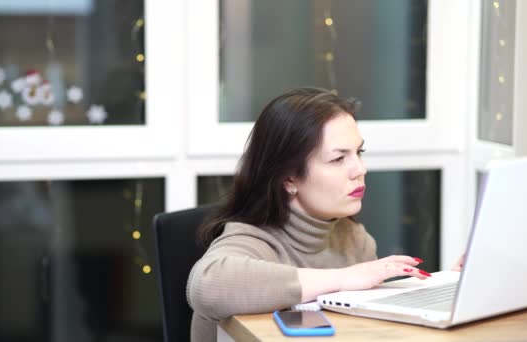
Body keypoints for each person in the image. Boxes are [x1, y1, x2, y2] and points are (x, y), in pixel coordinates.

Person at [186, 87, 459, 342]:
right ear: (289, 178)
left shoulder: (354, 239)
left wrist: (451, 285)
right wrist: (343, 278)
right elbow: (206, 285)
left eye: (358, 152)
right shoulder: (252, 239)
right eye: (338, 159)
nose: (359, 169)